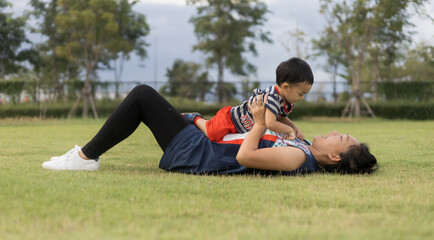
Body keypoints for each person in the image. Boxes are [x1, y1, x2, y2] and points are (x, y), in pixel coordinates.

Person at [42, 84, 378, 175]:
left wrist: (260, 124)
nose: (335, 131)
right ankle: (86, 156)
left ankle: (85, 157)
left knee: (143, 95)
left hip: (196, 154)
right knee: (179, 110)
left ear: (334, 156)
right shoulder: (301, 146)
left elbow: (246, 155)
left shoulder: (296, 159)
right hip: (203, 143)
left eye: (341, 137)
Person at [183, 57, 313, 142]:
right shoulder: (273, 98)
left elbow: (280, 117)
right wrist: (289, 130)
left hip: (241, 127)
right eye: (301, 93)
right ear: (285, 87)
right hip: (230, 119)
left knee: (223, 141)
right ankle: (195, 118)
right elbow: (270, 123)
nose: (302, 98)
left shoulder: (287, 102)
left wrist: (294, 126)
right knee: (212, 133)